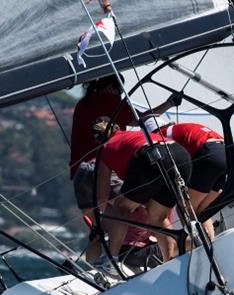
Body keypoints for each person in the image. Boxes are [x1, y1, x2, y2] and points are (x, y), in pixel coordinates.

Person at [69, 75, 180, 260]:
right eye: (119, 89)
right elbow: (141, 120)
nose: (119, 93)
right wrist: (169, 103)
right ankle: (126, 258)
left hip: (80, 174)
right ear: (112, 87)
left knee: (98, 231)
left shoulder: (83, 104)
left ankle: (97, 272)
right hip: (102, 168)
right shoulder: (111, 101)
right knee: (141, 208)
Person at [93, 121, 192, 265]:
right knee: (157, 215)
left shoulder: (105, 148)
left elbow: (101, 196)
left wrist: (102, 223)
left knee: (121, 207)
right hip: (180, 154)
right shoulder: (133, 134)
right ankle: (169, 261)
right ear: (117, 128)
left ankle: (111, 262)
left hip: (152, 156)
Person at [145, 116, 226, 240]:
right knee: (201, 210)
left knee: (185, 208)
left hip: (210, 157)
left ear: (154, 132)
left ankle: (202, 247)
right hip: (228, 154)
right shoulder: (185, 127)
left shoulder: (163, 135)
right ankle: (211, 243)